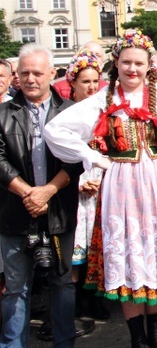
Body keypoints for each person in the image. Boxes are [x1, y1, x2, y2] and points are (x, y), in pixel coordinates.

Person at [44, 29, 157, 348]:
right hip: (122, 184)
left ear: (148, 65)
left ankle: (156, 335)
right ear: (117, 62)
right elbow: (56, 130)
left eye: (139, 63)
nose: (132, 69)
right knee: (128, 259)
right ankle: (137, 339)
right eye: (126, 62)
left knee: (156, 256)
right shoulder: (103, 99)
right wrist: (94, 157)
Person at [0, 44, 82, 347]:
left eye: (37, 72)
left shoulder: (71, 112)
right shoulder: (2, 114)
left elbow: (76, 159)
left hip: (59, 212)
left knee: (62, 283)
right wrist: (28, 193)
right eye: (24, 73)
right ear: (16, 77)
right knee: (16, 288)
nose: (31, 78)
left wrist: (47, 191)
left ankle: (64, 343)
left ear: (52, 73)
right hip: (14, 213)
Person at [63, 50, 110, 327]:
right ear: (73, 83)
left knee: (100, 246)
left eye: (95, 81)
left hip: (102, 188)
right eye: (85, 81)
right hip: (74, 190)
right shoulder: (65, 115)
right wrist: (80, 182)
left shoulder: (104, 113)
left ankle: (97, 300)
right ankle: (76, 304)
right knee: (75, 253)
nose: (91, 87)